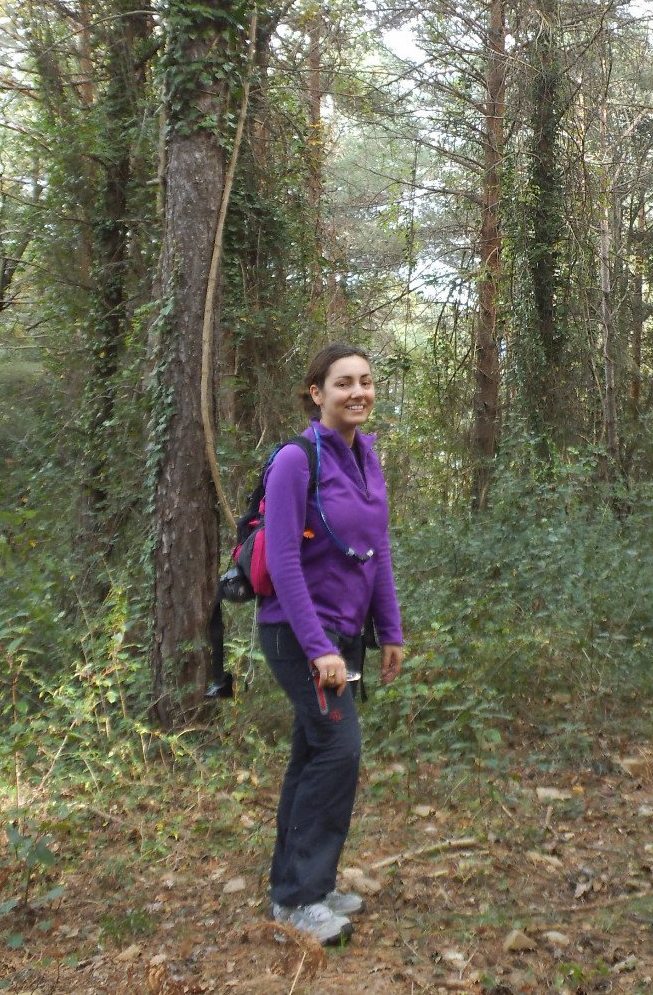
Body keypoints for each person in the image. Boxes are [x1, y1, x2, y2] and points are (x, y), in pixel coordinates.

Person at [257, 342, 404, 945]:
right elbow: (286, 560)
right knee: (338, 750)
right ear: (317, 393)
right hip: (299, 634)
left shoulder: (367, 457)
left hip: (344, 635)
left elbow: (379, 552)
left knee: (314, 753)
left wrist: (390, 630)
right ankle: (300, 901)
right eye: (344, 383)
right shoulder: (296, 460)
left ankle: (296, 885)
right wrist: (320, 649)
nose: (358, 393)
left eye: (365, 382)